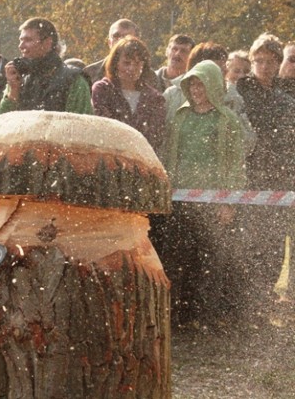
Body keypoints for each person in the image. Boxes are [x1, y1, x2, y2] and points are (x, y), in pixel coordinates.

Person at [162, 60, 247, 322]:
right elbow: (169, 155)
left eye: (201, 83)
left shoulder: (227, 119)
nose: (197, 89)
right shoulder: (180, 115)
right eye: (192, 84)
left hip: (213, 203)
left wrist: (229, 202)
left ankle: (205, 317)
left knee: (209, 261)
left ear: (213, 84)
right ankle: (176, 315)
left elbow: (236, 162)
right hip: (180, 201)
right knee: (177, 258)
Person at [237, 33, 295, 308]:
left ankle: (266, 299)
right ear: (251, 61)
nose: (264, 66)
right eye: (259, 60)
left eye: (271, 61)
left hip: (280, 176)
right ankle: (248, 300)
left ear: (278, 63)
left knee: (274, 244)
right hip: (250, 175)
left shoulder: (285, 98)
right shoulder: (241, 90)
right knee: (250, 241)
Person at [0, 17, 93, 115]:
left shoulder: (74, 80)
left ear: (47, 43)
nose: (21, 46)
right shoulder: (18, 78)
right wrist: (14, 91)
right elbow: (1, 122)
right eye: (21, 40)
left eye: (28, 40)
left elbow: (82, 124)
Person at [91, 35, 166, 154]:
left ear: (143, 66)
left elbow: (155, 137)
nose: (132, 68)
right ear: (116, 64)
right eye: (126, 63)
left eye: (137, 64)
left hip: (142, 161)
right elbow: (105, 128)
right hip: (109, 158)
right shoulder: (103, 90)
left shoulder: (154, 98)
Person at [83, 18, 158, 88]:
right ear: (109, 42)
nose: (120, 41)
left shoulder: (149, 77)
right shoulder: (90, 73)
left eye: (126, 37)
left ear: (136, 42)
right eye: (116, 36)